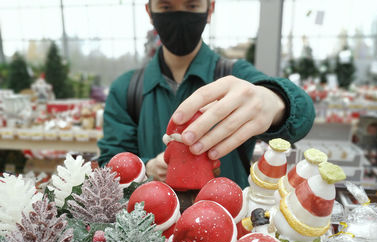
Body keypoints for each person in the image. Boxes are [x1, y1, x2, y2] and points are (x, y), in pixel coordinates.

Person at [98, 0, 315, 190]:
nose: (179, 15)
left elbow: (302, 111)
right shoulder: (127, 89)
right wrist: (146, 167)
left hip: (230, 224)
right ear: (150, 12)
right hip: (150, 228)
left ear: (209, 9)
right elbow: (109, 163)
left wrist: (274, 101)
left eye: (192, 5)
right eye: (166, 6)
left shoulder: (234, 75)